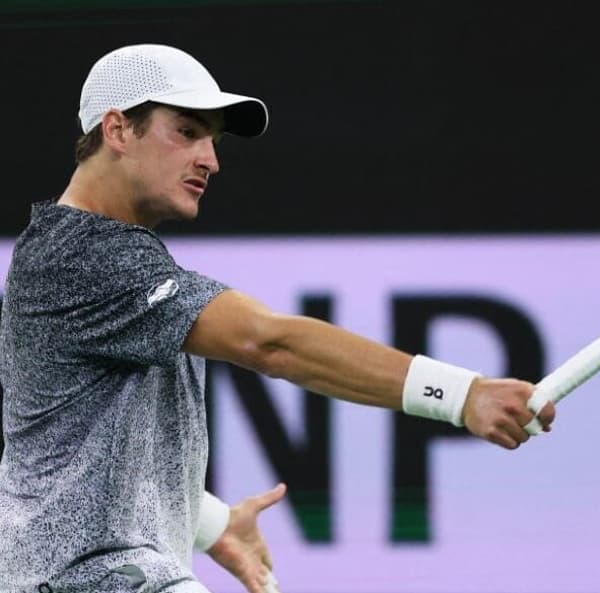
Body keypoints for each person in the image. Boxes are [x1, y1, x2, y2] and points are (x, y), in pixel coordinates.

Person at [0, 44, 556, 593]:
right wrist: (462, 394)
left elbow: (84, 460)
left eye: (213, 142)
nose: (211, 160)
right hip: (85, 576)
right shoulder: (83, 256)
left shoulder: (92, 259)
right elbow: (270, 343)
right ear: (118, 130)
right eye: (188, 133)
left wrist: (216, 527)